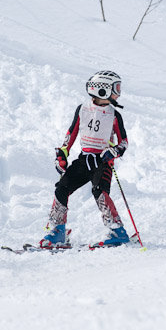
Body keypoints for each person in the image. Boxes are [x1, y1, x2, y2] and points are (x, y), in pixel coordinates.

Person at [39, 70, 130, 249]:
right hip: (84, 160)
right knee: (61, 188)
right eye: (115, 89)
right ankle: (58, 231)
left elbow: (124, 142)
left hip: (102, 161)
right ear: (102, 90)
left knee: (99, 192)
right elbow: (70, 134)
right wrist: (62, 154)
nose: (118, 93)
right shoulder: (82, 109)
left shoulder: (114, 115)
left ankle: (117, 231)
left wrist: (114, 152)